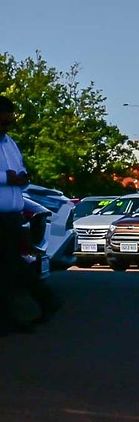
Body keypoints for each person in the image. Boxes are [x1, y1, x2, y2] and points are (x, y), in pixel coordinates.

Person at [0, 95, 57, 331]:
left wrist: (21, 178)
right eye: (2, 122)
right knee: (10, 266)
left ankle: (42, 303)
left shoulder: (10, 143)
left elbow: (21, 170)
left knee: (13, 265)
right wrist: (6, 178)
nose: (6, 126)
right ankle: (39, 304)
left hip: (13, 214)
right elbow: (8, 175)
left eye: (9, 121)